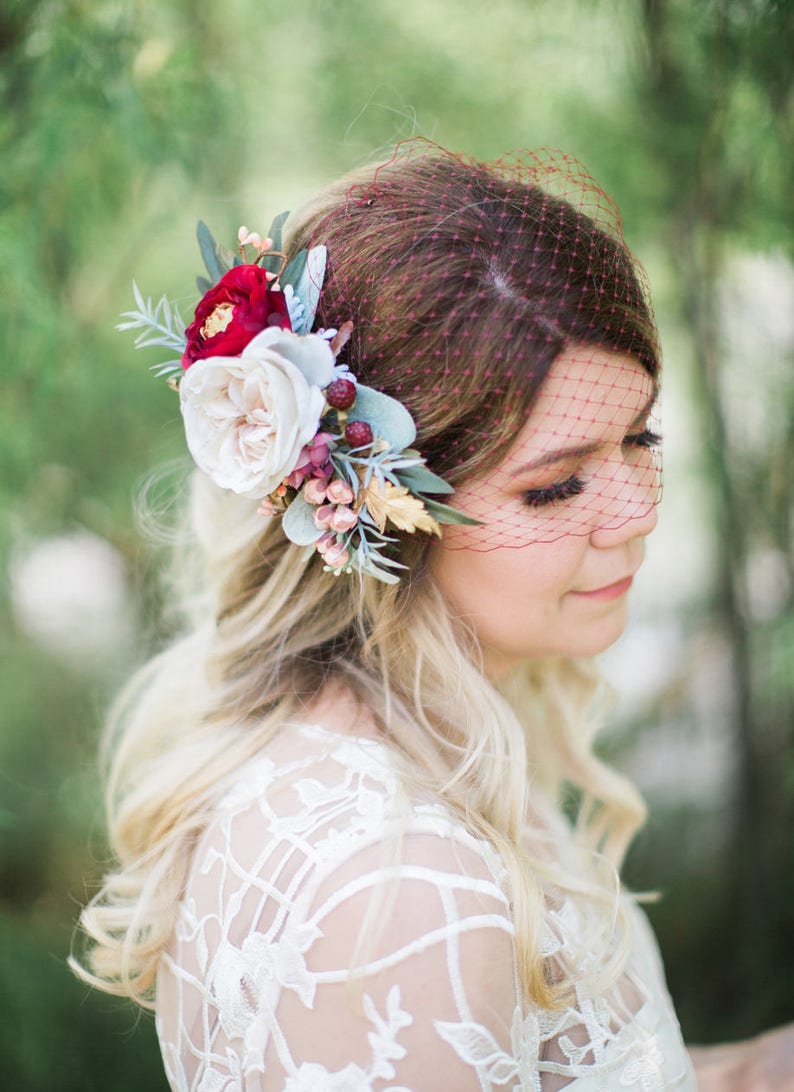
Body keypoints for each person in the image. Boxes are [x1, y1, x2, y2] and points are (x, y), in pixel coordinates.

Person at [73, 144, 793, 1090]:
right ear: (384, 512)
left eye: (640, 437)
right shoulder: (401, 898)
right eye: (558, 485)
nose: (636, 511)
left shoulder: (437, 750)